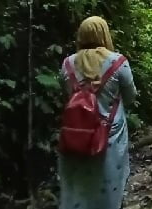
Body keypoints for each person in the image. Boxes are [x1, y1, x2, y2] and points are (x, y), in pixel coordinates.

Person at [58, 16, 138, 209]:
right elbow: (130, 97)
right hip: (109, 136)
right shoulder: (118, 62)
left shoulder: (67, 64)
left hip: (75, 135)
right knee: (109, 186)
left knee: (77, 188)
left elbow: (66, 95)